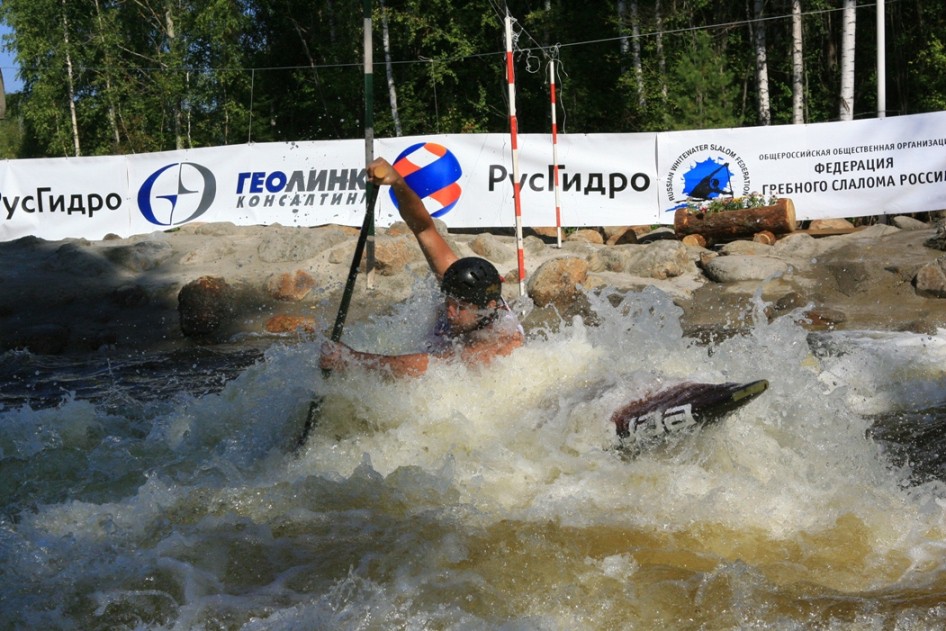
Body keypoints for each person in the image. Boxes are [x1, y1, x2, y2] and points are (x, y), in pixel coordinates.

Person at [319, 157, 524, 377]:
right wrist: (397, 182)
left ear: (488, 307)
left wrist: (352, 359)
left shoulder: (500, 340)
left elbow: (431, 368)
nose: (450, 313)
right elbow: (423, 228)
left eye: (460, 307)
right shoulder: (458, 282)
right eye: (448, 301)